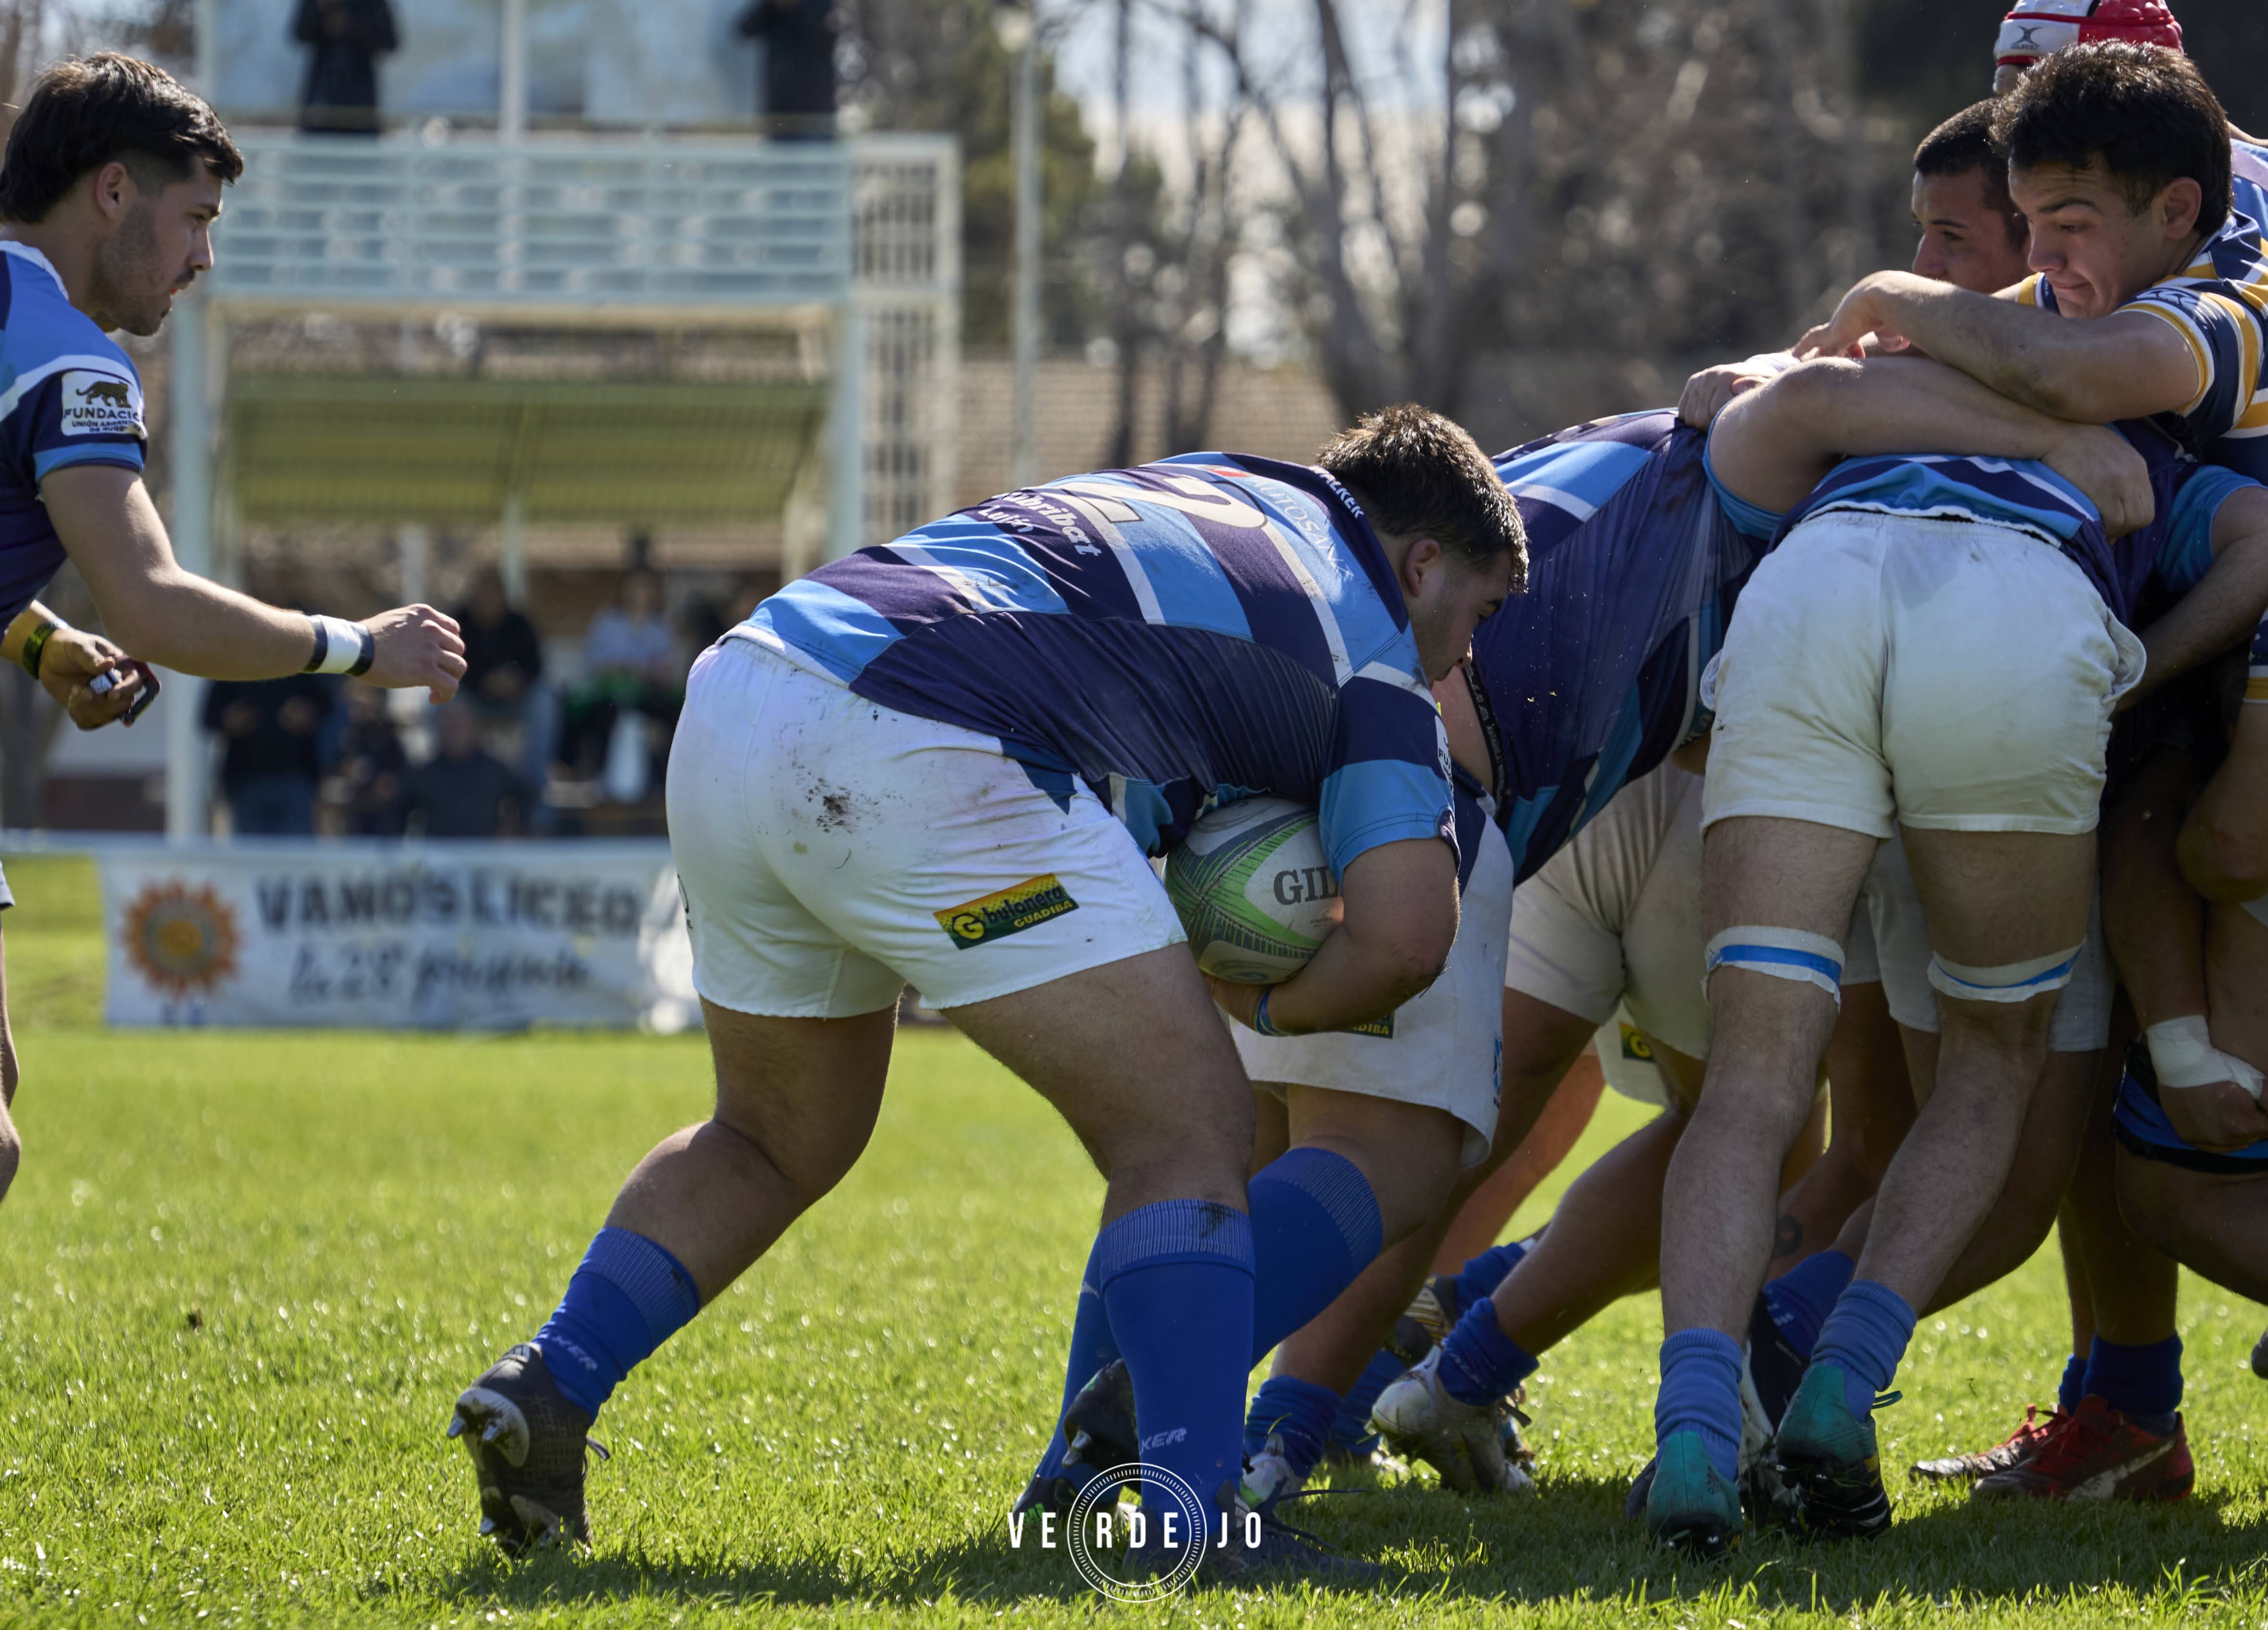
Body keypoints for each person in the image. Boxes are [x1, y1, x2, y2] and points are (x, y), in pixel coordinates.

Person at [446, 408, 1525, 1582]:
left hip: (748, 687)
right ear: (1421, 563)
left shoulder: (1222, 492)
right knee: (1189, 1128)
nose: (1465, 656)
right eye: (1478, 613)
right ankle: (1196, 1514)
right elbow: (1413, 936)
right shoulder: (1374, 641)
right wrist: (1265, 1011)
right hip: (917, 736)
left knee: (771, 1133)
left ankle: (553, 1380)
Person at [1644, 304, 2268, 1557]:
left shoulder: (1887, 390)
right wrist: (2136, 666)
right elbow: (2258, 539)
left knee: (1753, 1079)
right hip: (2013, 614)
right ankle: (1836, 1383)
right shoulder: (2154, 443)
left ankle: (1691, 1441)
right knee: (1990, 1060)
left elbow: (1736, 453)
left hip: (1814, 585)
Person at [0, 53, 461, 1203]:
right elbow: (151, 603)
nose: (205, 257)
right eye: (195, 218)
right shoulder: (70, 361)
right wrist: (358, 647)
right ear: (112, 192)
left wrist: (40, 644)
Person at [560, 569, 679, 784]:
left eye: (645, 587)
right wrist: (621, 669)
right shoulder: (607, 622)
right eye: (634, 586)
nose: (639, 593)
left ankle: (663, 782)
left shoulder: (660, 627)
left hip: (645, 695)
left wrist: (646, 673)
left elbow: (666, 672)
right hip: (609, 694)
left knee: (670, 713)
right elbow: (594, 664)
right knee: (604, 712)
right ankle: (597, 778)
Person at [203, 671, 333, 835]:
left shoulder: (299, 663)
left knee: (298, 852)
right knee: (250, 853)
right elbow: (208, 717)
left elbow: (328, 707)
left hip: (296, 776)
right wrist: (231, 719)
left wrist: (307, 713)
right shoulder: (233, 665)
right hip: (246, 779)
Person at [404, 703, 529, 838]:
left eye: (459, 727)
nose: (454, 734)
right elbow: (401, 809)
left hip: (487, 851)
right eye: (448, 727)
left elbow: (525, 796)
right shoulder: (425, 775)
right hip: (439, 852)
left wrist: (511, 826)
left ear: (474, 728)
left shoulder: (494, 771)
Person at [292, 0, 398, 136]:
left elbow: (390, 41)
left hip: (361, 101)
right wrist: (319, 10)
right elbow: (300, 32)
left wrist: (352, 25)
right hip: (322, 97)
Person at [735, 0, 837, 138]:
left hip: (815, 111)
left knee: (817, 157)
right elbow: (745, 30)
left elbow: (827, 39)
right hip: (779, 111)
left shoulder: (822, 4)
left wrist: (798, 7)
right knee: (780, 159)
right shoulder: (772, 7)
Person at [330, 682, 408, 836]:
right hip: (349, 812)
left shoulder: (389, 734)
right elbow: (331, 772)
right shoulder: (342, 732)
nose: (360, 702)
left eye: (366, 695)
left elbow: (400, 774)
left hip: (384, 817)